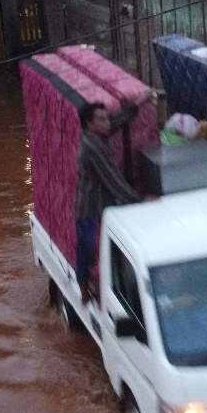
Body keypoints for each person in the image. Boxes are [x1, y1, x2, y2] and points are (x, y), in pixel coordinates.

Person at [75, 101, 141, 303]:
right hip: (89, 209)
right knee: (88, 249)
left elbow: (115, 122)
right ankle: (84, 288)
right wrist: (138, 200)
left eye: (106, 118)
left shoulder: (97, 135)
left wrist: (137, 104)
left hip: (103, 204)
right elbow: (113, 180)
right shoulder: (92, 148)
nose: (107, 123)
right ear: (90, 124)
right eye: (101, 120)